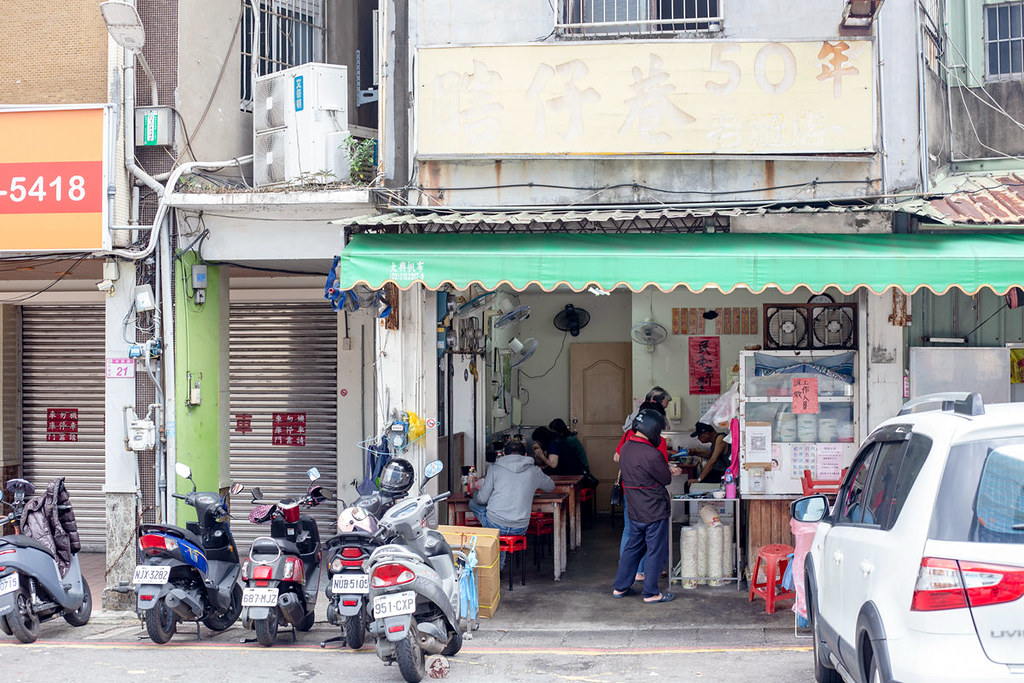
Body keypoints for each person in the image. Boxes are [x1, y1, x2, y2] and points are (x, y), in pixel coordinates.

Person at [612, 408, 680, 603]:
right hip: (654, 510)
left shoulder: (626, 448)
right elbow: (665, 479)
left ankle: (620, 587)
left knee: (633, 548)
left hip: (634, 508)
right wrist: (670, 470)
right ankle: (651, 593)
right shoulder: (652, 454)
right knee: (654, 551)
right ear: (652, 430)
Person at [470, 441, 554, 568]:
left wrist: (476, 493)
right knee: (499, 522)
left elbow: (482, 499)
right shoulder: (534, 471)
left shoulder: (494, 469)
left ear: (503, 454)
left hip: (495, 523)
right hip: (520, 527)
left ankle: (498, 567)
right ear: (525, 455)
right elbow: (550, 486)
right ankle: (500, 564)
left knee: (474, 502)